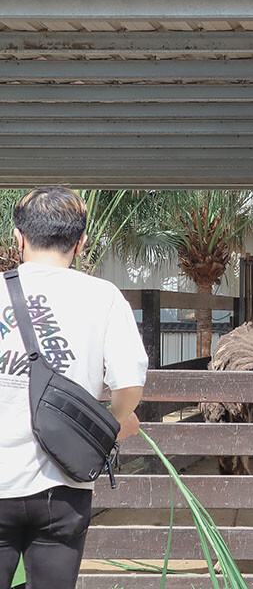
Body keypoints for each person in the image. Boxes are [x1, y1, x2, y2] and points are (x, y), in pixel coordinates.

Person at [0, 187, 148, 589]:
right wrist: (113, 424)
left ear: (19, 237)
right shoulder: (103, 297)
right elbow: (129, 383)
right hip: (62, 486)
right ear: (82, 243)